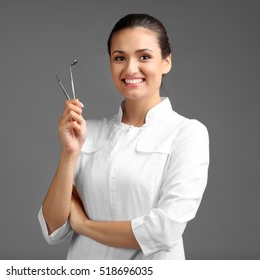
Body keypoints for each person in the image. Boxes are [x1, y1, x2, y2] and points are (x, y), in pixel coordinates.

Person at [38, 13, 210, 260]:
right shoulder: (88, 132)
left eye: (144, 57)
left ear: (166, 62)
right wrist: (69, 153)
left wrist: (85, 226)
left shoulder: (187, 133)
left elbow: (163, 231)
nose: (130, 68)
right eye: (120, 58)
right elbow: (53, 228)